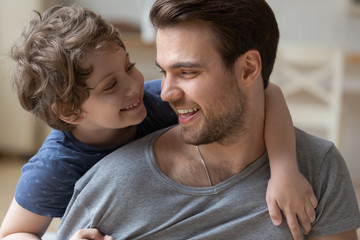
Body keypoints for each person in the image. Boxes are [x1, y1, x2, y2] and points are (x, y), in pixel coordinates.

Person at [0, 4, 315, 240]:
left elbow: (266, 91)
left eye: (130, 66)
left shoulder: (154, 100)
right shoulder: (54, 167)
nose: (134, 84)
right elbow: (13, 233)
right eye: (111, 85)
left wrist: (284, 168)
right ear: (69, 111)